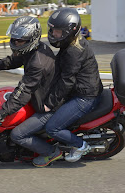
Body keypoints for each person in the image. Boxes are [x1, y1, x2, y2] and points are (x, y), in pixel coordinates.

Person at [0, 16, 61, 167]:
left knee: (18, 134)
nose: (16, 43)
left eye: (20, 41)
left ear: (32, 39)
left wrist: (1, 113)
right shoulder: (32, 50)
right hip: (40, 97)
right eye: (15, 39)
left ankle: (51, 152)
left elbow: (24, 90)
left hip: (47, 107)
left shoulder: (38, 62)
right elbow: (12, 61)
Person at [32, 8, 103, 166]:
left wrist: (49, 103)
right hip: (82, 90)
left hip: (85, 97)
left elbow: (66, 81)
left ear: (70, 31)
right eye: (52, 29)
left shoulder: (73, 52)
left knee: (53, 128)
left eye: (57, 31)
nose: (53, 34)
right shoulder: (70, 44)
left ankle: (80, 146)